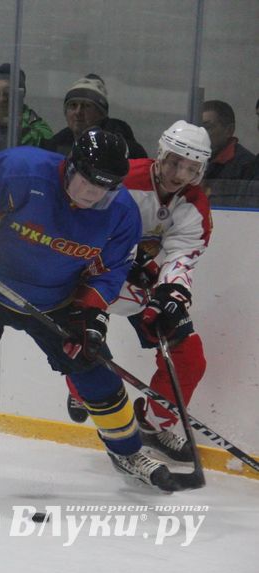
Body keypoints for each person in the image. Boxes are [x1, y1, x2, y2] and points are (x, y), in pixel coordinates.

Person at [0, 128, 185, 494]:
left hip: (57, 300)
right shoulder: (23, 169)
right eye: (88, 181)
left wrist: (90, 314)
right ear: (71, 166)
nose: (93, 194)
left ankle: (128, 453)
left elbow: (111, 270)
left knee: (97, 376)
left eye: (105, 188)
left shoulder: (122, 213)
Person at [65, 121, 212, 463]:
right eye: (175, 162)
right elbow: (81, 224)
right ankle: (81, 391)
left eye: (191, 169)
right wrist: (118, 259)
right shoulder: (122, 179)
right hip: (97, 276)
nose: (180, 175)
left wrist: (172, 292)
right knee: (84, 345)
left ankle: (153, 425)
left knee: (189, 356)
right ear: (161, 153)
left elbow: (182, 254)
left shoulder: (194, 203)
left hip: (146, 285)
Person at [43, 75, 148, 158]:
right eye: (73, 105)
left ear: (101, 113)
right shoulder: (57, 143)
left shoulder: (122, 143)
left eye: (86, 106)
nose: (78, 112)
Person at [201, 99, 255, 181]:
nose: (200, 133)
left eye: (207, 127)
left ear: (229, 130)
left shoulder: (247, 165)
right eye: (197, 127)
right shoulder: (192, 156)